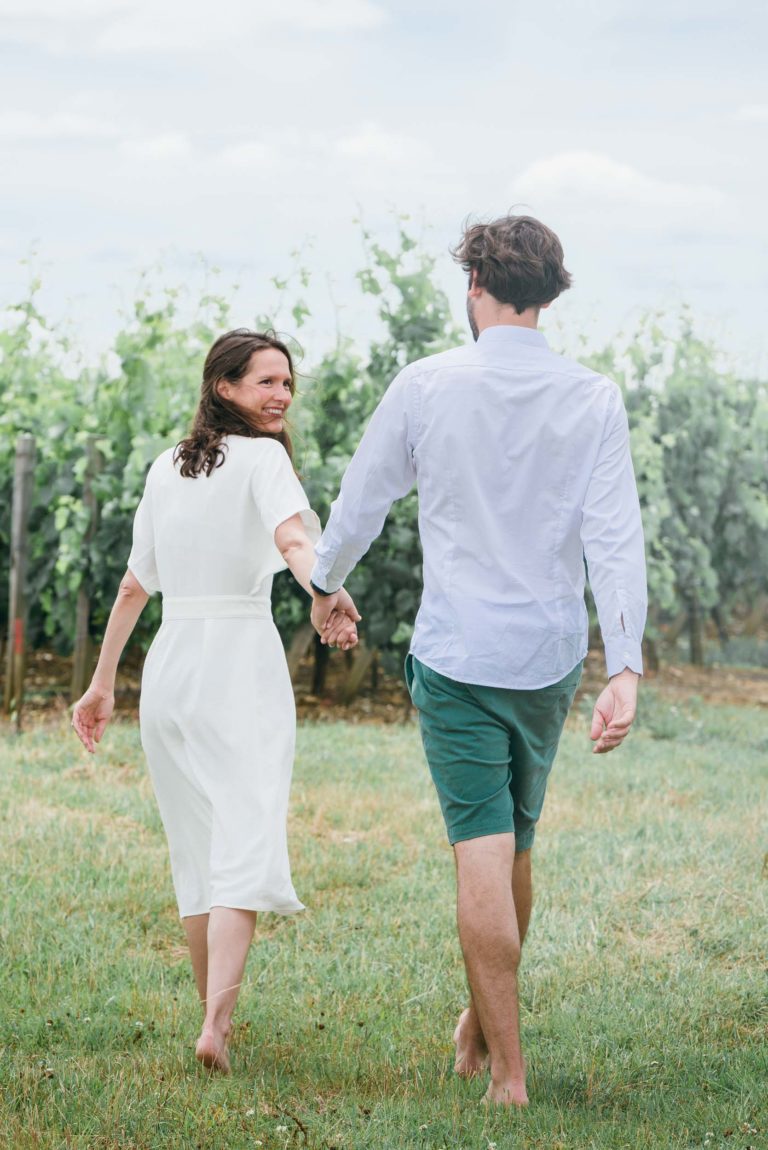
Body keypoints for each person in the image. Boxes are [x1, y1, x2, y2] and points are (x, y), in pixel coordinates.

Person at [308, 215, 647, 1106]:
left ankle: (510, 1074)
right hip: (547, 658)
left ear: (475, 288)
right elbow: (615, 537)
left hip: (458, 653)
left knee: (482, 853)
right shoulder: (593, 396)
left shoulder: (426, 385)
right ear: (548, 294)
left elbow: (362, 499)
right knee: (514, 846)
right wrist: (626, 665)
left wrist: (323, 581)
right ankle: (480, 1028)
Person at [72, 329, 360, 1074]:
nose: (282, 396)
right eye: (266, 381)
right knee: (246, 836)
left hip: (171, 669)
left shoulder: (166, 466)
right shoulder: (264, 461)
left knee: (196, 850)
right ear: (223, 387)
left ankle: (211, 1015)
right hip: (237, 662)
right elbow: (296, 542)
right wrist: (326, 593)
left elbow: (137, 586)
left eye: (288, 383)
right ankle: (217, 1028)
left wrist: (105, 683)